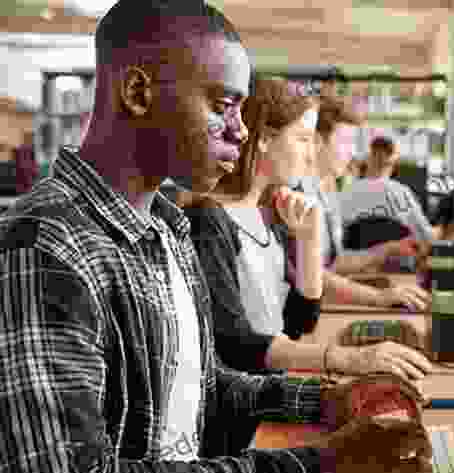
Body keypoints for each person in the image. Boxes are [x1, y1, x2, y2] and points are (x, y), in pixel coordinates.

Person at [0, 2, 431, 472]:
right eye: (222, 106)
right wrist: (318, 464)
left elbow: (204, 386)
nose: (241, 131)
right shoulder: (45, 244)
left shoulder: (167, 226)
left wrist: (326, 400)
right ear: (138, 92)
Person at [179, 78, 431, 380]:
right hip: (247, 412)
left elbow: (300, 323)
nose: (310, 155)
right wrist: (346, 358)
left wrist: (309, 238)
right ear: (263, 138)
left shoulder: (266, 215)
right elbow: (234, 344)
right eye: (302, 139)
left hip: (271, 389)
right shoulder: (207, 219)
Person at [300, 95, 431, 311]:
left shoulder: (325, 193)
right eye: (344, 142)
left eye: (354, 144)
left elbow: (332, 263)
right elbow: (311, 275)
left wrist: (385, 250)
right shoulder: (300, 195)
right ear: (317, 142)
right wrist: (378, 297)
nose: (352, 153)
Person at [339, 135, 443, 243]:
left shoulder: (346, 193)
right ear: (393, 165)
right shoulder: (402, 193)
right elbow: (426, 236)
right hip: (393, 258)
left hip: (355, 258)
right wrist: (442, 229)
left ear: (367, 160)